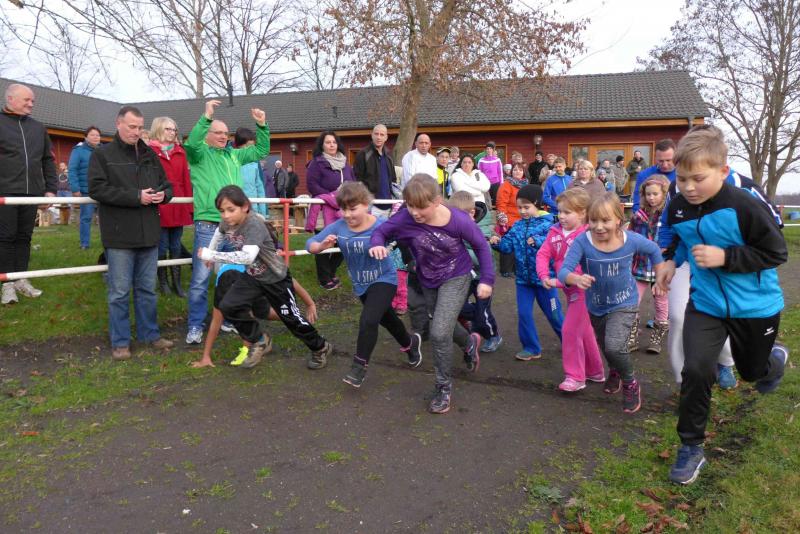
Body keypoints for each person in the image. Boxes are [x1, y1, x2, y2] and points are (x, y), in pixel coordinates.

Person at [656, 126, 788, 486]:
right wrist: (668, 261)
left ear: (722, 171)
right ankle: (691, 448)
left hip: (755, 306)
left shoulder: (743, 205)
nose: (688, 187)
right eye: (682, 179)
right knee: (697, 370)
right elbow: (677, 238)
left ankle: (773, 361)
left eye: (698, 179)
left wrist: (725, 257)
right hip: (707, 303)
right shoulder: (679, 206)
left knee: (752, 373)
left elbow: (776, 252)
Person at [369, 174, 494, 414]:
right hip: (428, 280)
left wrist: (487, 279)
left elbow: (481, 246)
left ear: (437, 201)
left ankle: (443, 387)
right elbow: (381, 232)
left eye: (421, 207)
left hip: (456, 276)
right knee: (442, 325)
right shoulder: (405, 217)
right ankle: (469, 343)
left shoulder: (458, 220)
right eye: (410, 206)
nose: (415, 212)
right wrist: (376, 243)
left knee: (438, 333)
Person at [198, 185, 333, 369]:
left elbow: (247, 257)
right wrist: (212, 249)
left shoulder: (254, 225)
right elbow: (219, 233)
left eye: (231, 210)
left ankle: (320, 346)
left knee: (291, 319)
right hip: (253, 276)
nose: (226, 215)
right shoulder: (227, 222)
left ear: (245, 206)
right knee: (228, 306)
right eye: (222, 211)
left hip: (275, 278)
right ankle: (260, 339)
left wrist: (212, 255)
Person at [307, 182, 422, 387]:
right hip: (361, 284)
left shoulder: (380, 225)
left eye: (353, 209)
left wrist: (410, 259)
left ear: (366, 204)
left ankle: (358, 367)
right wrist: (322, 246)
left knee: (368, 320)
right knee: (387, 318)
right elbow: (310, 244)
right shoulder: (339, 226)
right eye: (343, 209)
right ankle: (410, 343)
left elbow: (404, 239)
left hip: (384, 279)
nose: (347, 214)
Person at [558, 192, 664, 414]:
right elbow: (563, 271)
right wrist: (576, 278)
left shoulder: (630, 240)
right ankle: (615, 371)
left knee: (615, 346)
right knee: (606, 346)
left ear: (618, 219)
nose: (598, 227)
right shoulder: (583, 241)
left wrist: (660, 277)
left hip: (624, 303)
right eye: (593, 220)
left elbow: (654, 250)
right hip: (596, 306)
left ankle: (630, 383)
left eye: (605, 220)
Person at [88, 106, 175, 360]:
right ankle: (120, 342)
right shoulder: (102, 154)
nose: (136, 132)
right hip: (119, 235)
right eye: (132, 127)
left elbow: (167, 185)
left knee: (147, 289)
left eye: (140, 127)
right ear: (118, 124)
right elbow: (97, 189)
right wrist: (136, 197)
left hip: (149, 233)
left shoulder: (149, 154)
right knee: (119, 292)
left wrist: (163, 195)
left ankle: (150, 334)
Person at [183, 99, 270, 345]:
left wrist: (262, 125)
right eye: (218, 132)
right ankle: (195, 326)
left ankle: (230, 318)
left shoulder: (235, 155)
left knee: (234, 274)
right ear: (207, 135)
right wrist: (206, 117)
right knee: (201, 278)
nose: (223, 136)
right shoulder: (199, 154)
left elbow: (261, 151)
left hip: (235, 226)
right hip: (208, 224)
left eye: (225, 133)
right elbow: (192, 143)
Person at [191, 254, 318, 369]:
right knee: (255, 314)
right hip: (236, 281)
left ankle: (300, 324)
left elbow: (290, 281)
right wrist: (205, 357)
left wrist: (310, 303)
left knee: (271, 313)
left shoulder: (257, 273)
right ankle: (265, 338)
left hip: (256, 283)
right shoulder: (222, 289)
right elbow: (215, 322)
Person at [536, 188, 604, 392]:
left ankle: (575, 377)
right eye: (559, 211)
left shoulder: (588, 235)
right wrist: (544, 276)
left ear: (582, 213)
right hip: (568, 290)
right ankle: (595, 371)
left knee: (570, 330)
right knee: (585, 331)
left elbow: (584, 268)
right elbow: (543, 254)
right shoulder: (554, 231)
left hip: (585, 290)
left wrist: (559, 281)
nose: (561, 216)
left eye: (567, 212)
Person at [490, 184, 563, 361]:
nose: (522, 211)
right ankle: (531, 348)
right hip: (523, 281)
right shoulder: (517, 226)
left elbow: (555, 243)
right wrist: (496, 242)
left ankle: (569, 341)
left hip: (545, 281)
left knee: (554, 315)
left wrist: (537, 241)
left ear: (537, 204)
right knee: (524, 314)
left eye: (526, 207)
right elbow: (507, 246)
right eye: (519, 207)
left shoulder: (550, 224)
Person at [0, 84, 57, 305]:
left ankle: (21, 279)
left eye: (32, 101)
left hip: (32, 192)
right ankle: (7, 285)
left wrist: (50, 190)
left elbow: (48, 160)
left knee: (25, 237)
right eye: (27, 100)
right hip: (5, 193)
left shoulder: (38, 128)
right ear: (11, 99)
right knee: (6, 237)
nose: (31, 104)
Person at [449, 191, 502, 353]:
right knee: (456, 305)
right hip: (463, 277)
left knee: (482, 312)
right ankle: (475, 319)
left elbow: (483, 258)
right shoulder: (453, 227)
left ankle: (493, 336)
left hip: (481, 278)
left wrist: (462, 254)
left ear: (472, 213)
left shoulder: (480, 231)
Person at [306, 130, 356, 290]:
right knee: (322, 242)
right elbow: (312, 185)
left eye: (334, 142)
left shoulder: (345, 164)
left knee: (344, 242)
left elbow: (353, 182)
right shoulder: (316, 163)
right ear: (322, 145)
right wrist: (331, 196)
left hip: (342, 209)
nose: (331, 145)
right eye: (328, 142)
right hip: (323, 209)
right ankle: (324, 279)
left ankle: (331, 271)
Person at [148, 117, 192, 297]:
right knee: (162, 245)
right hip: (160, 203)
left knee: (175, 245)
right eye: (168, 129)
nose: (172, 132)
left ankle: (177, 284)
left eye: (174, 129)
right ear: (158, 129)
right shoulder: (149, 152)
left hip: (178, 202)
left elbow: (186, 180)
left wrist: (189, 205)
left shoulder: (180, 152)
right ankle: (163, 283)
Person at [628, 175, 670, 353]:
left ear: (664, 194)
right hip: (640, 266)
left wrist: (667, 249)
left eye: (655, 194)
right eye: (648, 194)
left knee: (661, 301)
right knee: (632, 301)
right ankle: (631, 335)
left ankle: (657, 337)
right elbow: (630, 237)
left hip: (660, 268)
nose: (651, 198)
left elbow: (674, 238)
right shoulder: (638, 216)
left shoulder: (669, 216)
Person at [68, 126, 102, 250]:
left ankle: (108, 243)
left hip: (103, 190)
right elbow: (72, 170)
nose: (95, 137)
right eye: (92, 135)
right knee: (86, 218)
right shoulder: (78, 150)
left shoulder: (104, 150)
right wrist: (75, 188)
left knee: (106, 218)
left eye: (98, 135)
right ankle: (85, 244)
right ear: (86, 137)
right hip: (86, 191)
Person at [354, 124, 397, 214]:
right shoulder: (363, 154)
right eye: (376, 134)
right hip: (371, 205)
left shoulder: (389, 156)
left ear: (386, 137)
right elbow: (357, 180)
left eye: (382, 135)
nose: (379, 137)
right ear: (372, 135)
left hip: (388, 205)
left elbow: (393, 180)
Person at [495, 162, 528, 277]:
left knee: (520, 246)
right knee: (508, 246)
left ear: (523, 172)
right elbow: (501, 203)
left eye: (520, 170)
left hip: (522, 220)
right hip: (509, 220)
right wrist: (502, 218)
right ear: (511, 172)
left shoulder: (526, 185)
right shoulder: (506, 184)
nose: (517, 172)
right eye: (515, 170)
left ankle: (516, 269)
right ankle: (505, 270)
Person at [631, 139, 676, 211]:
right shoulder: (644, 175)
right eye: (661, 161)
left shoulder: (684, 175)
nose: (665, 165)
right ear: (655, 158)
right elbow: (637, 204)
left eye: (668, 160)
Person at [234, 128, 268, 218]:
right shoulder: (230, 160)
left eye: (252, 147)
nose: (250, 149)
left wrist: (263, 213)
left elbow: (260, 187)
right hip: (235, 208)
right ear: (239, 145)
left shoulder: (255, 163)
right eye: (248, 146)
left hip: (253, 208)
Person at [478, 141, 503, 206]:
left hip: (496, 183)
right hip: (485, 183)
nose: (489, 150)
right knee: (487, 201)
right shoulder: (481, 160)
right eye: (487, 149)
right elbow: (479, 173)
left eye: (490, 148)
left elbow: (500, 172)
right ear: (485, 150)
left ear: (493, 150)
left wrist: (501, 184)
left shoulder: (497, 160)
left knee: (496, 200)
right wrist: (479, 183)